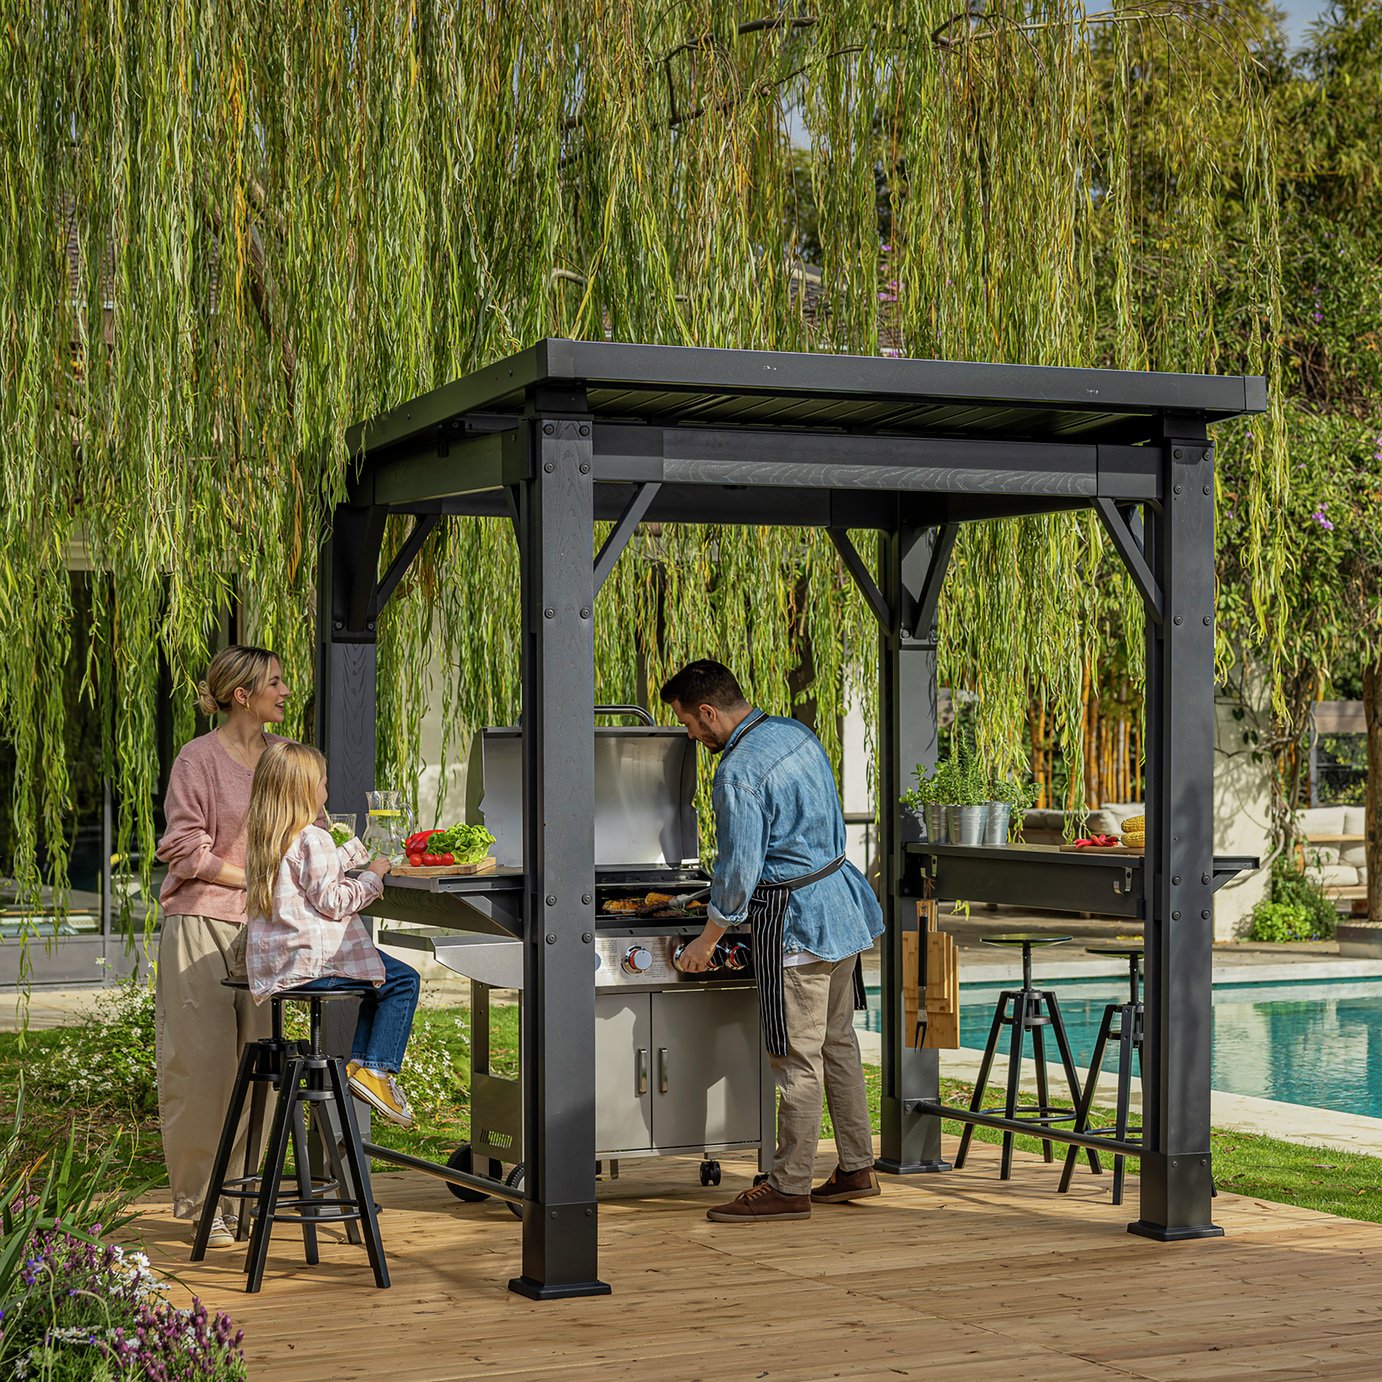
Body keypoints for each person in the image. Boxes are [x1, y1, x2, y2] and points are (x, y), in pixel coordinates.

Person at [661, 659, 884, 1223]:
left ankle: (788, 1187)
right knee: (838, 1044)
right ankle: (857, 1167)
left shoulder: (737, 771)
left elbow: (739, 869)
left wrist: (707, 939)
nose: (691, 735)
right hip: (842, 908)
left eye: (688, 723)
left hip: (798, 924)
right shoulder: (794, 733)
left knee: (797, 1059)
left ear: (708, 712)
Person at [155, 645, 293, 1247]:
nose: (285, 691)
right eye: (275, 682)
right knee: (202, 1070)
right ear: (242, 695)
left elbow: (311, 829)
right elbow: (185, 850)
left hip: (265, 930)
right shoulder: (198, 759)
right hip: (201, 927)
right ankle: (199, 1202)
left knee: (257, 1072)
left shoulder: (285, 759)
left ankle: (240, 1197)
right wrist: (258, 876)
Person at [243, 740, 420, 1129]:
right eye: (323, 783)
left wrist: (359, 853)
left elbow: (311, 873)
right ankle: (376, 1070)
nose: (327, 790)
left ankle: (363, 1068)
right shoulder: (314, 837)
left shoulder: (268, 838)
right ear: (307, 791)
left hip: (279, 965)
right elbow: (334, 900)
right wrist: (372, 879)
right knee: (403, 981)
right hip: (313, 963)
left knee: (377, 979)